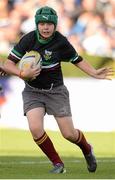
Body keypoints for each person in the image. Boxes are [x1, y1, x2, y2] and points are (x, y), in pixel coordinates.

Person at [3, 6, 112, 174]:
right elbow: (7, 64)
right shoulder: (28, 39)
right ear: (37, 25)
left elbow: (77, 59)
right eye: (42, 24)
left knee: (69, 134)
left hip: (56, 92)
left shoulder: (61, 42)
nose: (46, 27)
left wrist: (93, 72)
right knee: (35, 128)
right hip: (32, 91)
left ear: (55, 25)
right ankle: (57, 164)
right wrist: (22, 73)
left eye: (49, 24)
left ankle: (87, 149)